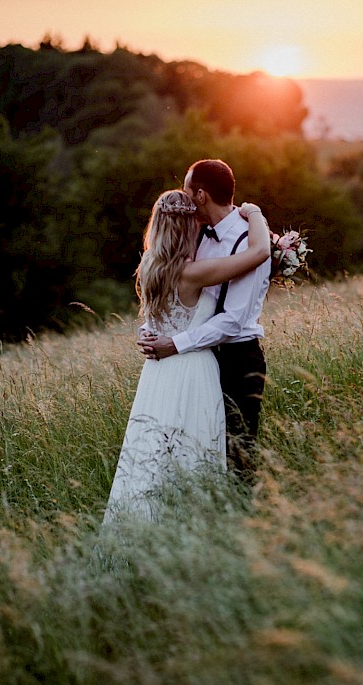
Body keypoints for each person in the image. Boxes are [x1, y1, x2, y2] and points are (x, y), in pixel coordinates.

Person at [104, 190, 271, 524]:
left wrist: (148, 335)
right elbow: (259, 252)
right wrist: (255, 214)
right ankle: (196, 523)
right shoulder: (193, 272)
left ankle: (149, 522)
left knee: (154, 452)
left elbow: (154, 320)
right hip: (194, 368)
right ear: (186, 228)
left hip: (158, 372)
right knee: (195, 451)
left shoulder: (150, 265)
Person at [139, 159, 272, 474]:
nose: (183, 196)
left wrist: (176, 343)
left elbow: (233, 320)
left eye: (186, 189)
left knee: (237, 453)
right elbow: (172, 291)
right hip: (198, 359)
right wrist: (152, 328)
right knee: (192, 451)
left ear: (200, 194)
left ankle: (239, 520)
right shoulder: (193, 235)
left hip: (238, 358)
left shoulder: (248, 238)